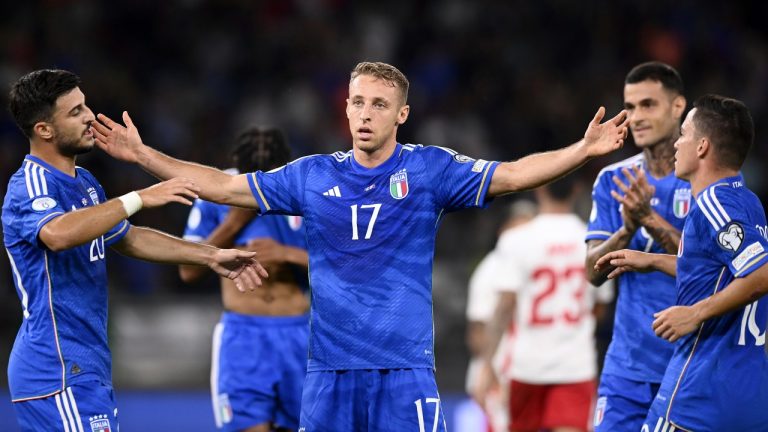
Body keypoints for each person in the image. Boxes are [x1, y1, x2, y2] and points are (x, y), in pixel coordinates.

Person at [92, 61, 629, 430]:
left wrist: (583, 150)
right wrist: (142, 156)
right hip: (328, 371)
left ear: (402, 114)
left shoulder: (428, 168)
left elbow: (512, 175)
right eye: (357, 102)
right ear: (345, 110)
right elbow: (222, 184)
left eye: (379, 104)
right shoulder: (311, 176)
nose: (366, 113)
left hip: (404, 370)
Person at [2, 69, 266, 432]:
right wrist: (140, 197)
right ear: (44, 129)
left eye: (85, 105)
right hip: (56, 366)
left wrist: (210, 255)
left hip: (84, 364)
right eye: (75, 111)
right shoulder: (29, 185)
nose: (89, 116)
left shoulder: (85, 183)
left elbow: (128, 237)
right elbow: (57, 234)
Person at [596, 94, 768, 431]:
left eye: (684, 134)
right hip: (748, 394)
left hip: (699, 391)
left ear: (702, 147)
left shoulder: (712, 205)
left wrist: (694, 313)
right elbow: (723, 272)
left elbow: (761, 274)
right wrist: (653, 261)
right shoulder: (747, 201)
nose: (677, 143)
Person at [179, 127, 309, 432]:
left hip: (300, 335)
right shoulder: (215, 194)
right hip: (244, 337)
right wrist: (234, 222)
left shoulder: (304, 191)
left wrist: (286, 254)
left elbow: (340, 266)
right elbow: (187, 270)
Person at [584, 61, 690, 431]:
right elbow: (590, 274)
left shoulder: (706, 179)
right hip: (626, 369)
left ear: (678, 106)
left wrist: (653, 222)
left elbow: (719, 267)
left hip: (690, 365)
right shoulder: (614, 179)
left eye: (648, 104)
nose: (636, 117)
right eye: (630, 107)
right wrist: (626, 230)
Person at [475, 177, 614, 432]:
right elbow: (600, 309)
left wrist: (486, 364)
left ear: (538, 188)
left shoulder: (516, 240)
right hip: (575, 364)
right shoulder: (595, 241)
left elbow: (505, 307)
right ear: (576, 189)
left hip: (526, 363)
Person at [464, 199, 537, 432]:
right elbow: (477, 331)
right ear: (503, 231)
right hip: (497, 372)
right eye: (519, 227)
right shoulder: (491, 269)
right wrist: (490, 372)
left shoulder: (533, 262)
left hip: (525, 368)